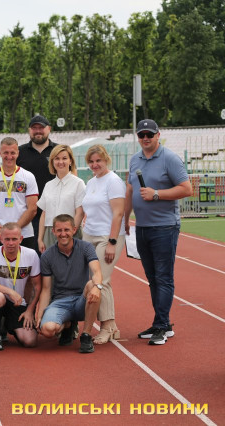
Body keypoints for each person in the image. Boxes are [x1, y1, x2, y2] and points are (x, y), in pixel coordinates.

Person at [125, 119, 192, 345]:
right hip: (142, 227)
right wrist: (125, 219)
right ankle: (162, 323)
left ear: (158, 135)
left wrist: (156, 194)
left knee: (163, 277)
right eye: (141, 135)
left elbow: (187, 189)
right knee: (152, 278)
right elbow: (130, 190)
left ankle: (162, 325)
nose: (145, 138)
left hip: (164, 227)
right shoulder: (135, 159)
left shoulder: (170, 158)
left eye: (149, 134)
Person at [35, 214, 102, 354]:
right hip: (60, 301)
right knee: (47, 330)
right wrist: (40, 314)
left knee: (93, 285)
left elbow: (96, 272)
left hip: (81, 300)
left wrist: (97, 287)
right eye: (59, 230)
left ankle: (86, 336)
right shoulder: (47, 256)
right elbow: (46, 289)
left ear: (74, 230)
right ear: (53, 231)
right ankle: (67, 325)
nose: (63, 234)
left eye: (66, 230)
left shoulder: (86, 247)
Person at [80, 145, 126, 344]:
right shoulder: (91, 182)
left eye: (98, 160)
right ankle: (111, 326)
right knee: (94, 281)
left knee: (101, 280)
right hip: (89, 234)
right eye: (91, 162)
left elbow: (118, 213)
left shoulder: (114, 181)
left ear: (106, 159)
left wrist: (112, 242)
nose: (95, 164)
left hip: (107, 236)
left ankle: (107, 327)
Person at [0, 223, 41, 350]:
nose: (10, 243)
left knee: (30, 341)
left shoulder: (31, 255)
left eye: (14, 239)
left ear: (21, 239)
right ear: (0, 239)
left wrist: (30, 311)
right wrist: (9, 292)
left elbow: (37, 286)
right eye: (7, 239)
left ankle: (6, 323)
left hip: (17, 303)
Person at [0, 137, 39, 248]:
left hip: (24, 234)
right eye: (5, 153)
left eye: (12, 153)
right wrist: (0, 231)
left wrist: (13, 232)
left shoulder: (28, 176)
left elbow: (32, 209)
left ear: (18, 153)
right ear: (0, 153)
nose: (9, 156)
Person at [17, 115, 58, 251]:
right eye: (34, 128)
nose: (38, 131)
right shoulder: (19, 152)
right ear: (29, 130)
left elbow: (71, 176)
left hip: (53, 212)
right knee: (30, 254)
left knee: (53, 254)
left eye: (41, 128)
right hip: (28, 213)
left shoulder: (58, 151)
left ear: (49, 129)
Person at [36, 145, 85, 253]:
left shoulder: (78, 183)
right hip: (50, 233)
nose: (60, 162)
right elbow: (44, 214)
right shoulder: (48, 185)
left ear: (70, 161)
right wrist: (40, 239)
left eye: (64, 158)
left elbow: (80, 213)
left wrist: (70, 233)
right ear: (52, 162)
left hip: (70, 233)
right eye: (57, 158)